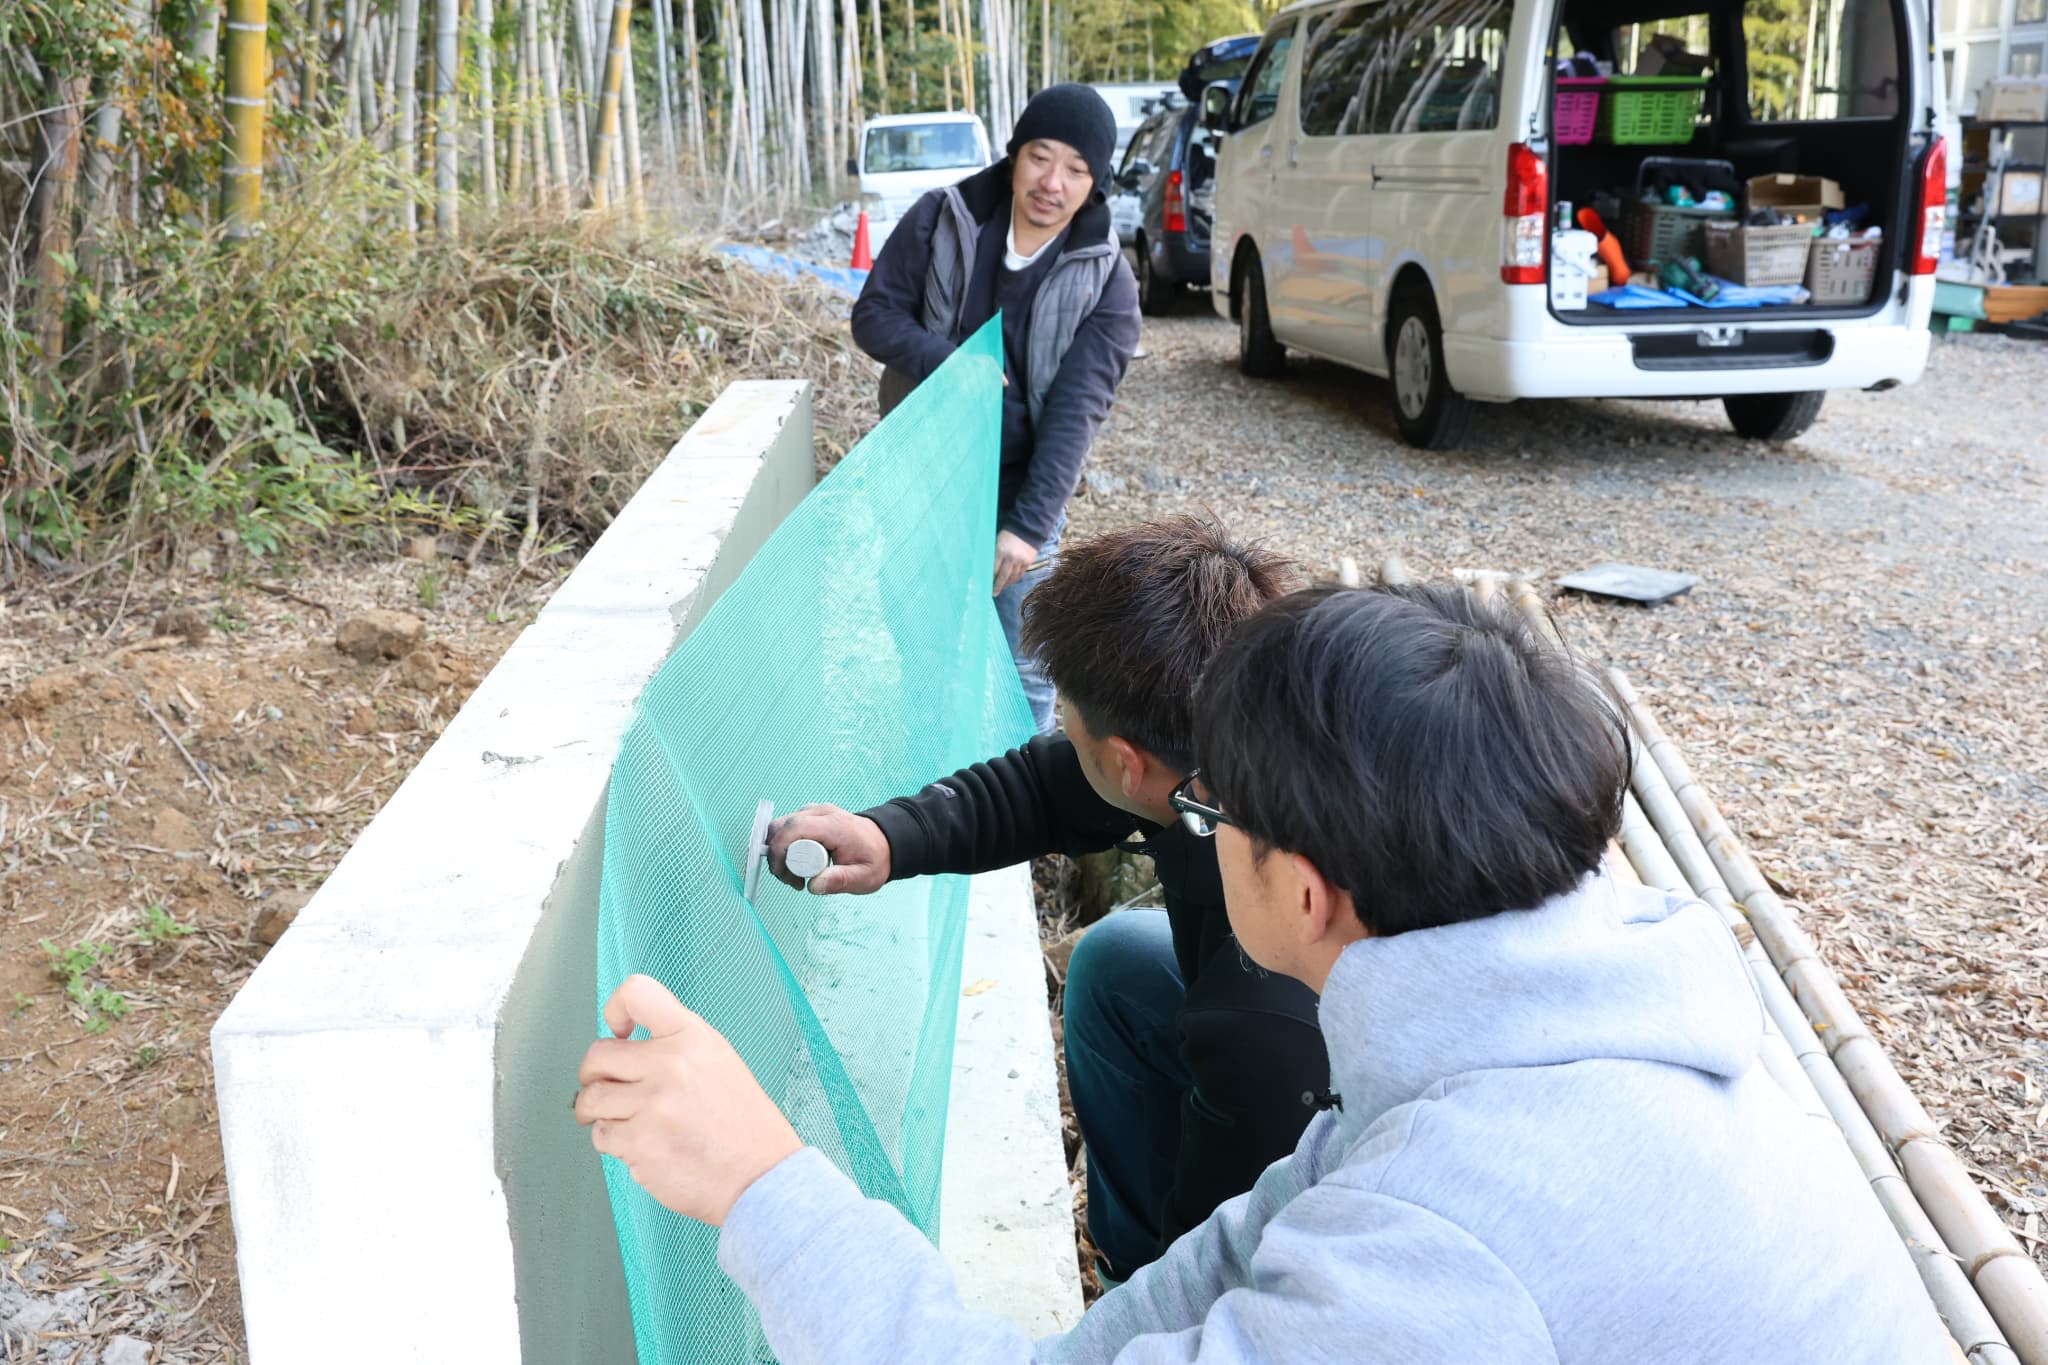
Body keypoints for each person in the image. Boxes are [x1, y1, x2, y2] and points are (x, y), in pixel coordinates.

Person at [575, 581, 1951, 1363]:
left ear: (1301, 891)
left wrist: (760, 1186)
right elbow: (1229, 1258)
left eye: (1207, 811)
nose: (1189, 825)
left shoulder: (1446, 1241)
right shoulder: (1530, 1011)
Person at [766, 518, 1326, 1283]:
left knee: (1203, 1259)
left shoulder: (1265, 996)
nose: (1060, 727)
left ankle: (1137, 1291)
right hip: (1277, 1047)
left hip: (1333, 1150)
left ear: (1127, 765)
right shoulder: (1239, 737)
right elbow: (1044, 786)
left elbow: (1222, 1266)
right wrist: (890, 836)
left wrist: (1157, 1309)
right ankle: (1129, 1262)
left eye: (1067, 716)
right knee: (1118, 962)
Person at [850, 84, 1142, 734]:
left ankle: (1016, 792)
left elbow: (1076, 414)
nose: (1052, 183)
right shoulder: (941, 218)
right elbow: (873, 315)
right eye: (1040, 157)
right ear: (1014, 155)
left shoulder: (1108, 281)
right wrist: (950, 362)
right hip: (923, 473)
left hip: (1021, 487)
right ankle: (931, 779)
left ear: (1095, 184)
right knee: (925, 651)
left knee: (1024, 668)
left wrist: (1028, 528)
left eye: (1076, 169)